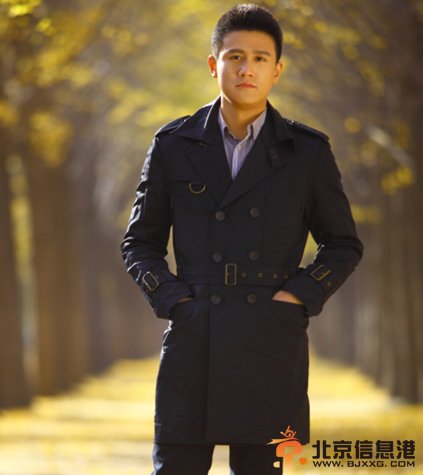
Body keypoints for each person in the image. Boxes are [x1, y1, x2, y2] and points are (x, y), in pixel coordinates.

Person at [121, 4, 363, 474]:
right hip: (195, 335)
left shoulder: (307, 151)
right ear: (214, 65)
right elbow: (139, 243)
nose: (246, 69)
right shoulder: (173, 145)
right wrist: (173, 300)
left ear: (277, 70)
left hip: (269, 339)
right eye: (235, 57)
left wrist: (298, 296)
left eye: (259, 58)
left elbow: (343, 244)